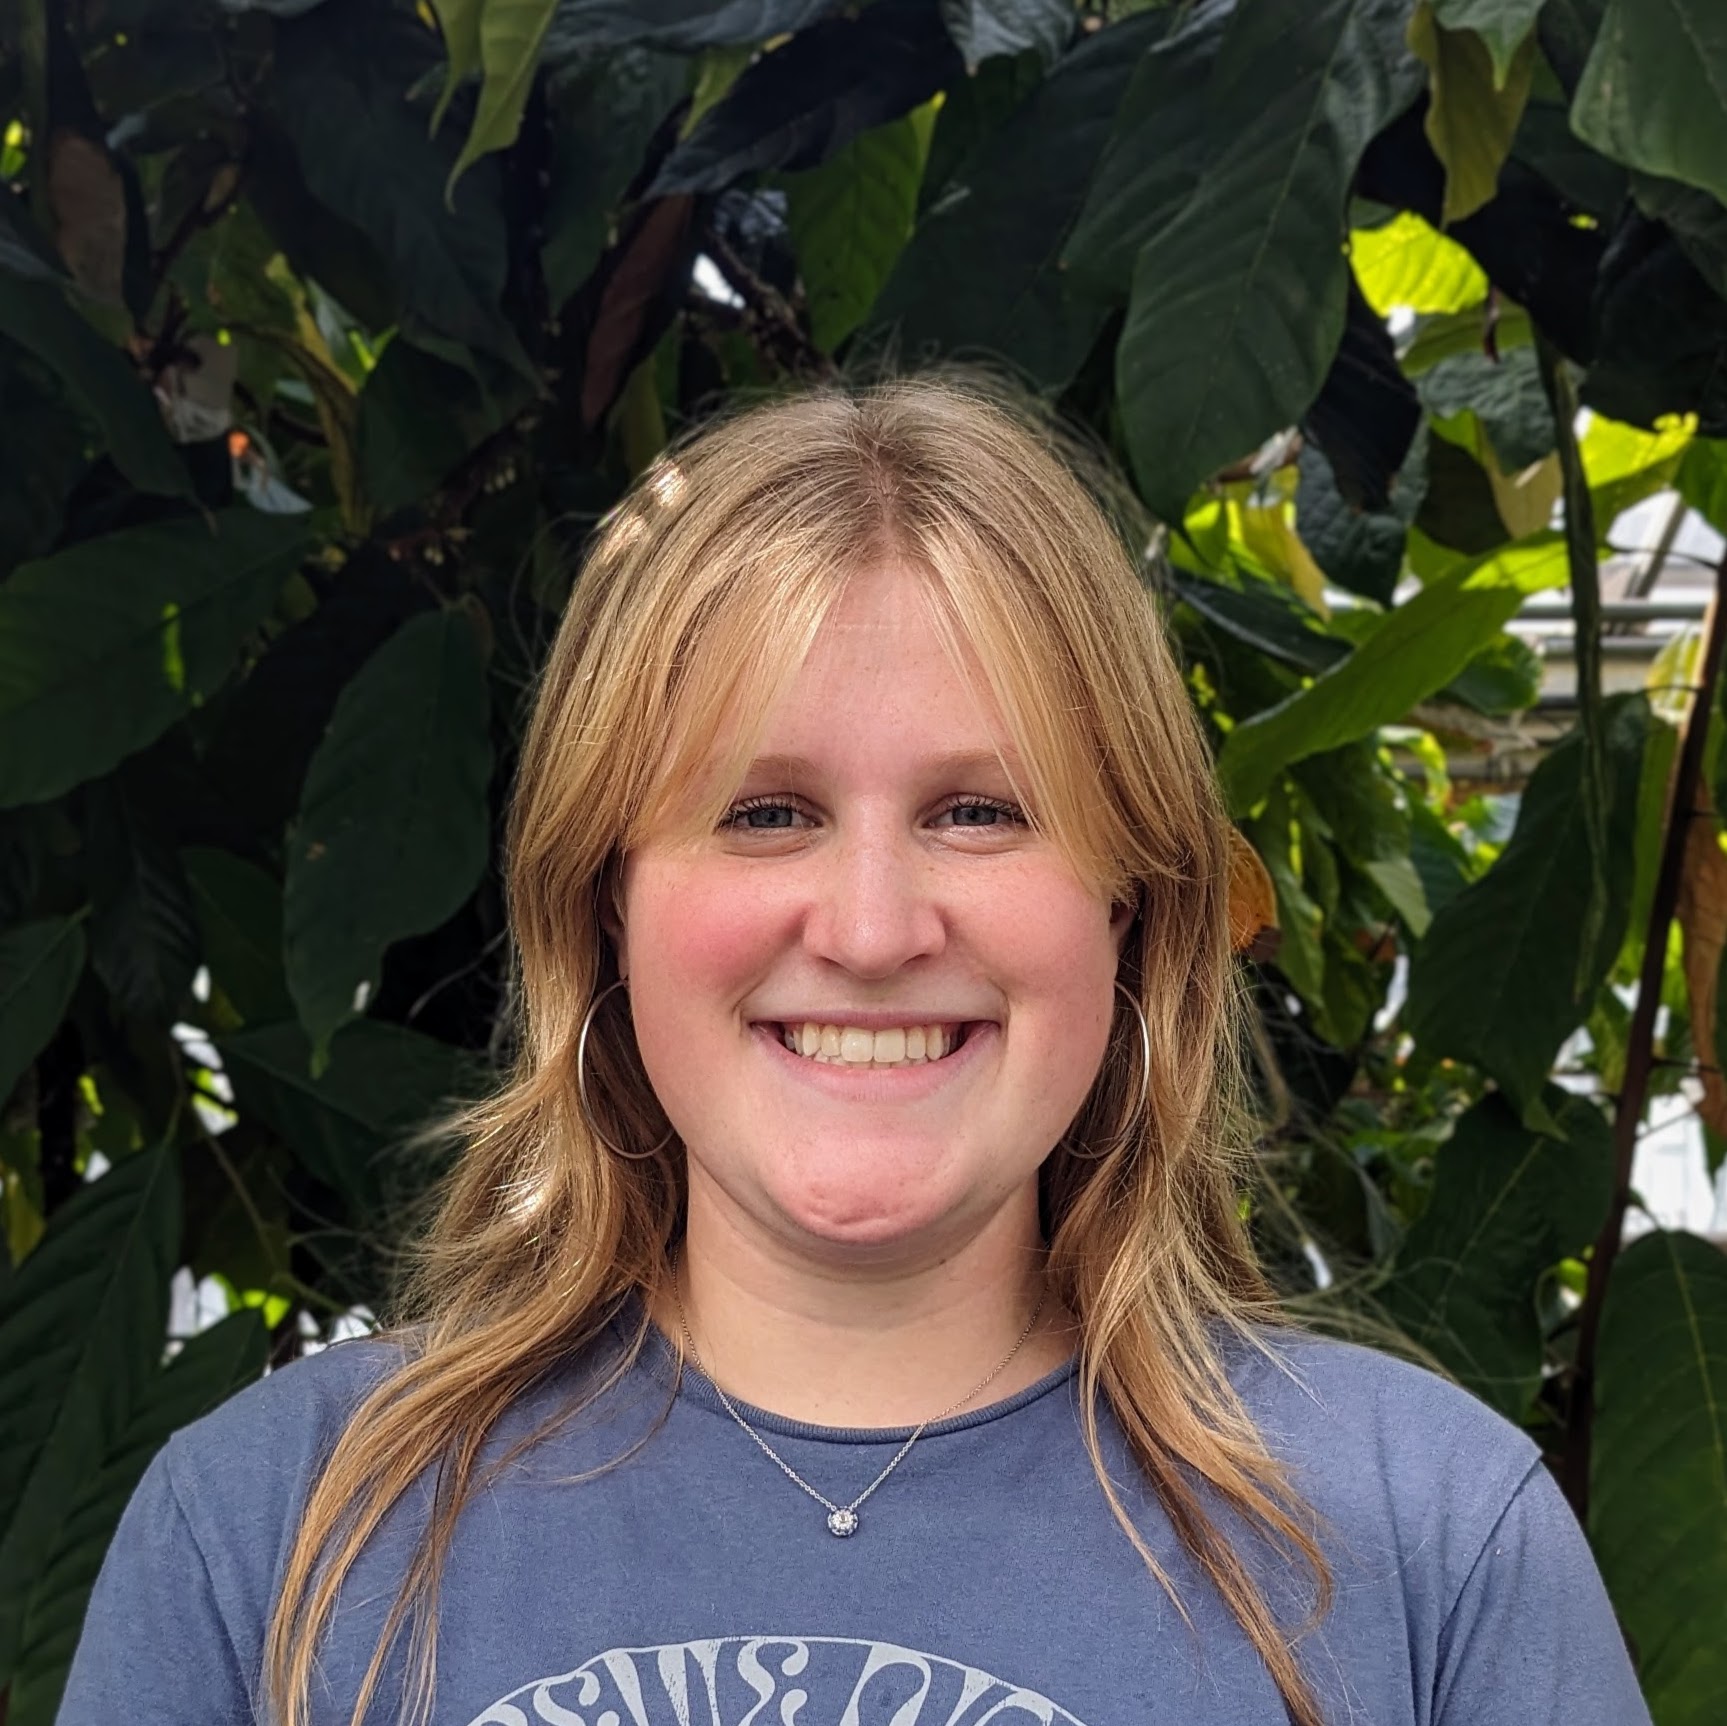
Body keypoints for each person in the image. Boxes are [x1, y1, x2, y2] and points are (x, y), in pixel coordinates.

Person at [59, 376, 1649, 1726]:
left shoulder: (1432, 1549)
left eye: (980, 810)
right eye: (765, 813)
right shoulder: (274, 1542)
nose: (876, 927)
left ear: (1131, 900)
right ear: (601, 903)